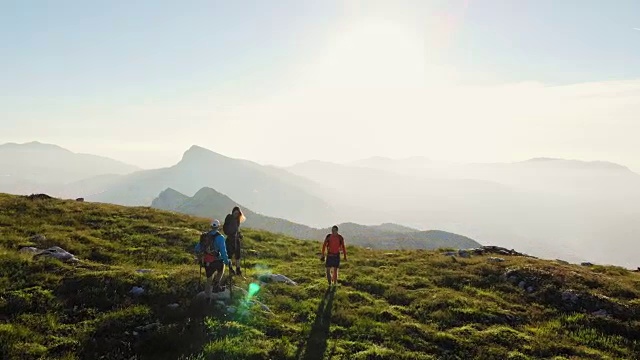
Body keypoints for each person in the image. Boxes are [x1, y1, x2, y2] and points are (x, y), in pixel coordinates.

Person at [195, 219, 231, 302]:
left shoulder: (205, 236)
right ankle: (216, 285)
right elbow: (223, 251)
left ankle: (207, 297)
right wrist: (226, 261)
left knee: (209, 278)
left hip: (207, 261)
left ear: (211, 226)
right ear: (218, 227)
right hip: (217, 260)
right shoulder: (220, 237)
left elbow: (197, 248)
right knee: (221, 270)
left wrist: (201, 256)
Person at [223, 206, 246, 276]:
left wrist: (240, 234)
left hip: (236, 239)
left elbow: (237, 230)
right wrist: (234, 233)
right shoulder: (229, 217)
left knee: (238, 255)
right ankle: (231, 269)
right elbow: (227, 229)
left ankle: (238, 269)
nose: (236, 214)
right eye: (235, 213)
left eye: (237, 213)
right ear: (233, 212)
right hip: (230, 239)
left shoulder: (237, 220)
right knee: (229, 255)